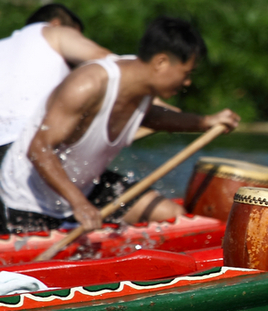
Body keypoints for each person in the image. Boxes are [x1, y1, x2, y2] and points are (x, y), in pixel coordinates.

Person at [0, 16, 240, 235]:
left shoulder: (140, 85)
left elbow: (151, 115)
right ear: (161, 62)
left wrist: (206, 122)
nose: (187, 82)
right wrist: (80, 205)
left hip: (86, 187)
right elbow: (38, 149)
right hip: (28, 200)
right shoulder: (88, 85)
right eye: (186, 73)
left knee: (174, 221)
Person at [0, 3, 111, 161]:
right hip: (27, 146)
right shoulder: (52, 32)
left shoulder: (4, 46)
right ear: (56, 23)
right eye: (78, 35)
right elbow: (108, 63)